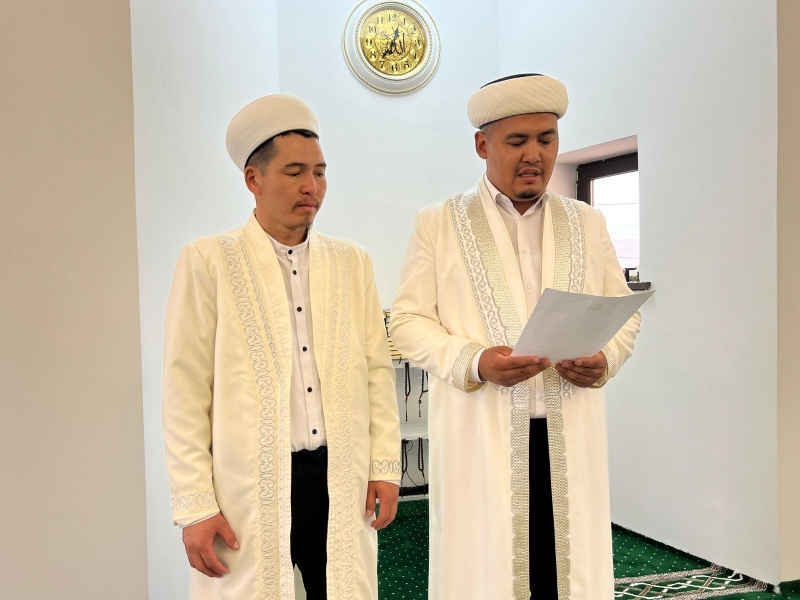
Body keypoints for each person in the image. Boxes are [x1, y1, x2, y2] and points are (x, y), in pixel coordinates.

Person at [389, 74, 641, 600]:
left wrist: (606, 358)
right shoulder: (438, 223)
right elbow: (407, 323)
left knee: (566, 571)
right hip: (481, 435)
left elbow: (622, 314)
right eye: (517, 141)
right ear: (482, 145)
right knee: (487, 571)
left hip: (570, 430)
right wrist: (475, 361)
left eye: (546, 139)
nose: (534, 155)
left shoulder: (587, 222)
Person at [163, 93, 401, 600]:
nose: (311, 186)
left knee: (343, 588)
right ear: (253, 178)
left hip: (340, 472)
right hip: (249, 482)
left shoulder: (351, 261)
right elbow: (185, 391)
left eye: (320, 172)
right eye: (294, 172)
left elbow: (377, 371)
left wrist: (383, 464)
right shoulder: (209, 261)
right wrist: (195, 505)